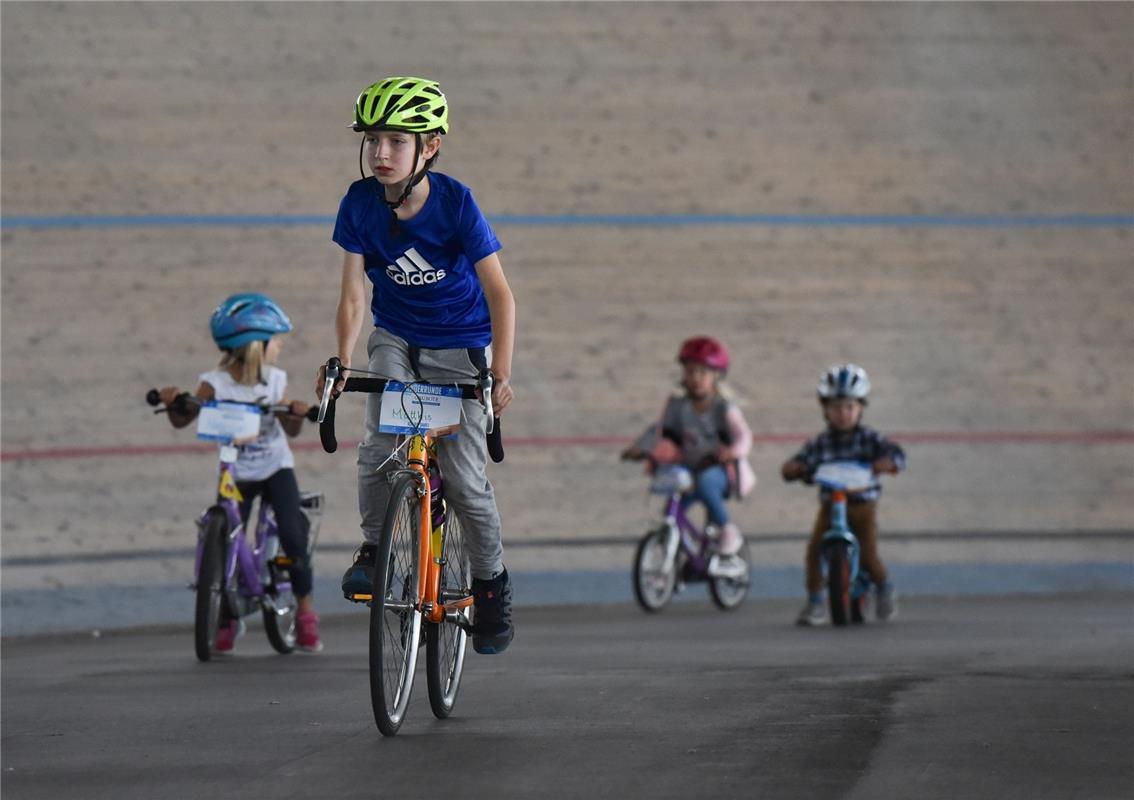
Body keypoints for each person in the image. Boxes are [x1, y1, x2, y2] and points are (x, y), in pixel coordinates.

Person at [316, 76, 516, 655]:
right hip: (397, 337)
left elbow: (500, 294)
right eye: (374, 140)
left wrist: (500, 373)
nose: (381, 153)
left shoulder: (456, 203)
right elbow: (353, 295)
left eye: (396, 141)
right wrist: (343, 363)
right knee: (379, 445)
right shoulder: (358, 203)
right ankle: (375, 550)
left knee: (466, 484)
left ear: (428, 147)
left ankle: (491, 584)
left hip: (461, 344)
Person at [158, 293, 322, 653]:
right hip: (237, 470)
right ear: (254, 346)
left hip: (276, 466)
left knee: (293, 536)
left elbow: (290, 431)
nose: (279, 347)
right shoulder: (215, 384)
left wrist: (293, 412)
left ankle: (306, 612)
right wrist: (175, 401)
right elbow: (183, 417)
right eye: (275, 341)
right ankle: (226, 618)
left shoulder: (274, 380)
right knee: (224, 540)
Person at [781, 363, 906, 626]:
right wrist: (795, 468)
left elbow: (895, 453)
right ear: (825, 409)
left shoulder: (869, 439)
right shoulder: (821, 443)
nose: (843, 413)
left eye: (850, 407)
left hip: (862, 506)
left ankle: (884, 587)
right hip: (831, 505)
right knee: (815, 550)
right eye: (836, 407)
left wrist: (888, 462)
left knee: (869, 554)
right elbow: (799, 461)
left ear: (861, 408)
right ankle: (815, 601)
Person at [621, 336, 756, 569]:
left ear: (716, 377)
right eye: (690, 372)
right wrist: (640, 448)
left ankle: (727, 530)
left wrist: (733, 452)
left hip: (717, 469)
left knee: (706, 483)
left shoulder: (723, 408)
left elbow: (744, 436)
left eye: (702, 373)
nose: (695, 379)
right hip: (688, 468)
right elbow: (659, 431)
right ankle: (683, 551)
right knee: (673, 509)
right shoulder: (677, 405)